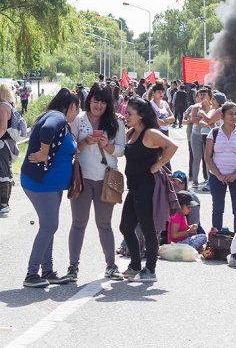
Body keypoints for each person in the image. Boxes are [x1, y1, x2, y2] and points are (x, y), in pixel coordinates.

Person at [65, 85, 126, 283]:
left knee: (104, 224)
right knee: (78, 223)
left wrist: (106, 145)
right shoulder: (78, 119)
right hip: (81, 178)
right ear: (89, 100)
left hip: (106, 180)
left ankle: (111, 265)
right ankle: (73, 267)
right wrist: (85, 142)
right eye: (95, 101)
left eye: (103, 102)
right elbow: (71, 148)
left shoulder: (116, 121)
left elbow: (121, 150)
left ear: (108, 104)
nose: (98, 105)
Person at [20, 89, 80, 288]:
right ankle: (31, 274)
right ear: (72, 106)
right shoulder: (58, 117)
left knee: (48, 226)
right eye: (77, 110)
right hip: (42, 184)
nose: (76, 114)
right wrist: (44, 151)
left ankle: (48, 271)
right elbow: (47, 129)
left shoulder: (57, 117)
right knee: (49, 226)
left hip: (51, 185)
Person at [119, 98, 178, 283]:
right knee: (125, 227)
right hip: (133, 187)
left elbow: (172, 146)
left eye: (130, 113)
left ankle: (150, 270)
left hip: (147, 187)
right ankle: (135, 265)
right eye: (126, 112)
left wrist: (158, 164)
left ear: (141, 115)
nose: (126, 116)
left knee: (148, 229)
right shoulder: (131, 132)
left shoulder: (150, 133)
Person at [204, 102, 236, 231]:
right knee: (217, 209)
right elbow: (207, 157)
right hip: (217, 177)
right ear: (223, 116)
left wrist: (235, 174)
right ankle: (216, 238)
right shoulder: (214, 133)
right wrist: (219, 175)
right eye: (230, 114)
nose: (234, 116)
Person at [0, 84, 18, 214]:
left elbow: (2, 128)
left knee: (3, 173)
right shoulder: (9, 105)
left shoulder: (2, 106)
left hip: (3, 144)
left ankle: (3, 204)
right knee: (6, 172)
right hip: (8, 144)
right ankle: (4, 203)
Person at [190, 88, 212, 190]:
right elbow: (193, 119)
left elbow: (214, 119)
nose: (202, 96)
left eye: (204, 94)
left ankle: (209, 180)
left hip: (208, 135)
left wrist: (204, 118)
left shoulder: (212, 107)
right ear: (198, 96)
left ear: (208, 96)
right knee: (196, 158)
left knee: (208, 158)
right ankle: (195, 181)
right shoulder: (196, 107)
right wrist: (205, 119)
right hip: (196, 135)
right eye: (200, 94)